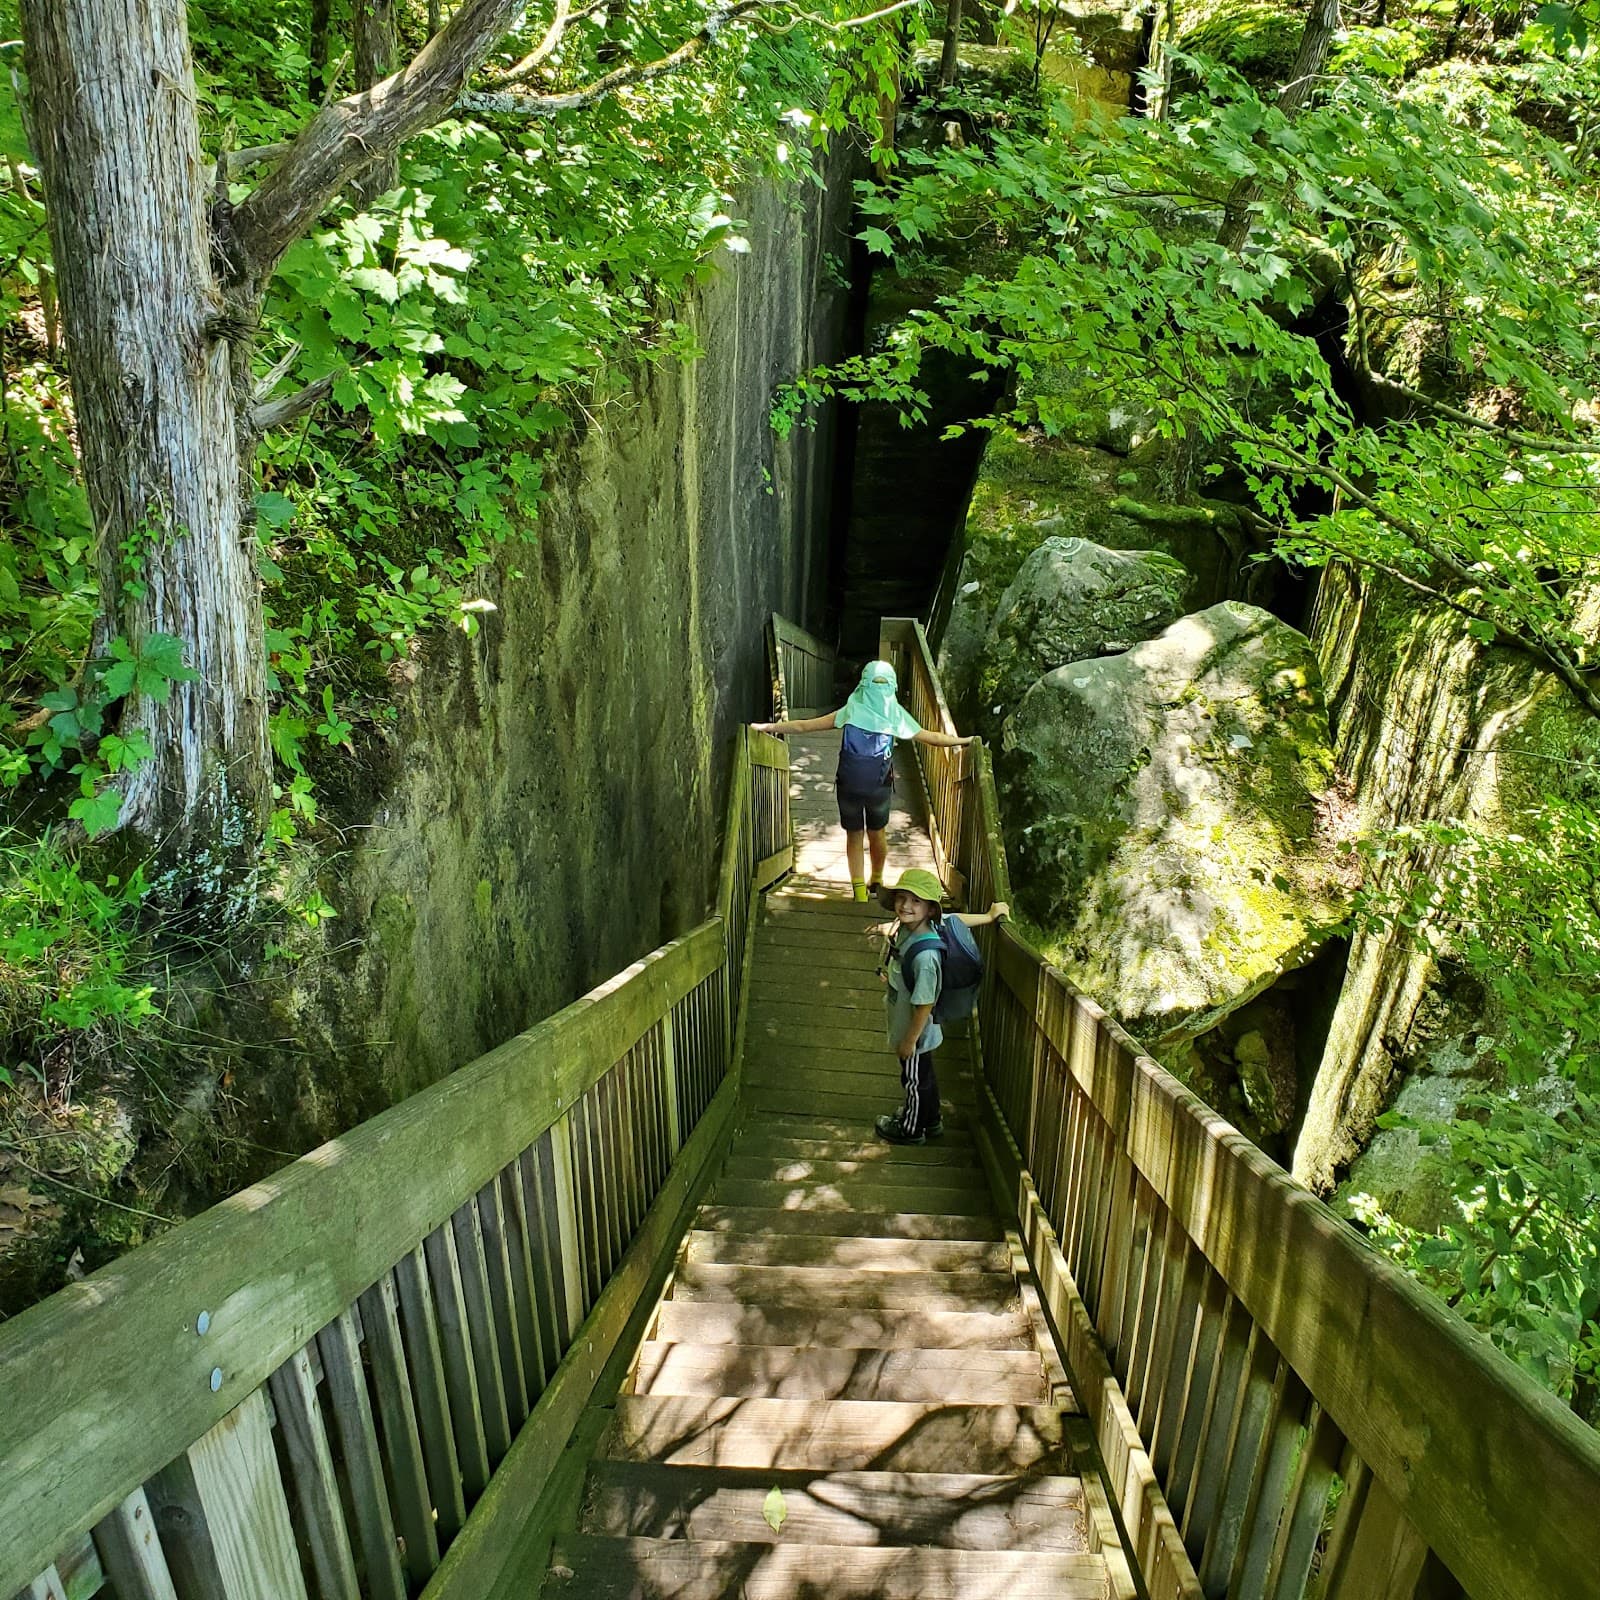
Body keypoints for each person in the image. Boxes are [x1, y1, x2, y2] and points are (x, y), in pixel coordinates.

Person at [754, 660, 974, 902]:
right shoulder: (895, 715)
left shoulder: (851, 710)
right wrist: (963, 741)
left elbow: (804, 725)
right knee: (877, 833)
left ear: (863, 684)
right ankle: (877, 878)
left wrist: (769, 726)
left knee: (854, 835)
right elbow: (931, 737)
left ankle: (858, 893)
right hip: (878, 787)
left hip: (848, 784)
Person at [875, 867, 1008, 1146]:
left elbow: (924, 1004)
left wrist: (909, 1041)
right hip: (916, 1029)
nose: (906, 906)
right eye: (902, 897)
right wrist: (988, 916)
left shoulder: (926, 958)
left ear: (929, 910)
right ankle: (931, 1119)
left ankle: (911, 1129)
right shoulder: (922, 926)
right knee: (924, 1075)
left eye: (916, 901)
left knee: (913, 1080)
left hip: (915, 1032)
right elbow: (955, 919)